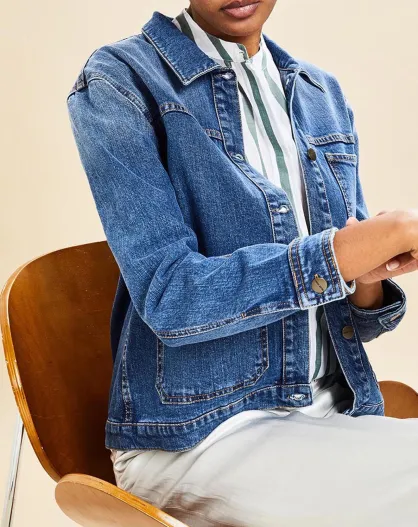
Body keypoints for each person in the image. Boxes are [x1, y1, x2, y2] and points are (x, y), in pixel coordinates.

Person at [66, 1, 418, 525]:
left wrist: (365, 276)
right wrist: (335, 256)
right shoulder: (121, 81)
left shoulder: (320, 93)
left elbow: (352, 320)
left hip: (329, 411)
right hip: (198, 437)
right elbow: (170, 296)